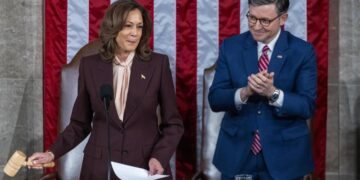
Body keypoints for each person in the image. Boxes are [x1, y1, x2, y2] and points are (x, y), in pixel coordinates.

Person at [28, 0, 184, 179]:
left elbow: (173, 124)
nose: (135, 33)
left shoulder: (158, 65)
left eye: (139, 27)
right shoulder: (90, 66)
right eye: (128, 26)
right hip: (99, 168)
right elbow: (79, 124)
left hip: (144, 167)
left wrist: (159, 157)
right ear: (113, 27)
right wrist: (51, 153)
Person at [208, 0, 317, 179]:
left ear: (283, 19)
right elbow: (215, 98)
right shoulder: (231, 46)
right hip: (237, 153)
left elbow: (307, 106)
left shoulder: (302, 52)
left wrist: (273, 93)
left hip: (285, 157)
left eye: (265, 20)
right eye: (252, 18)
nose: (256, 26)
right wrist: (244, 92)